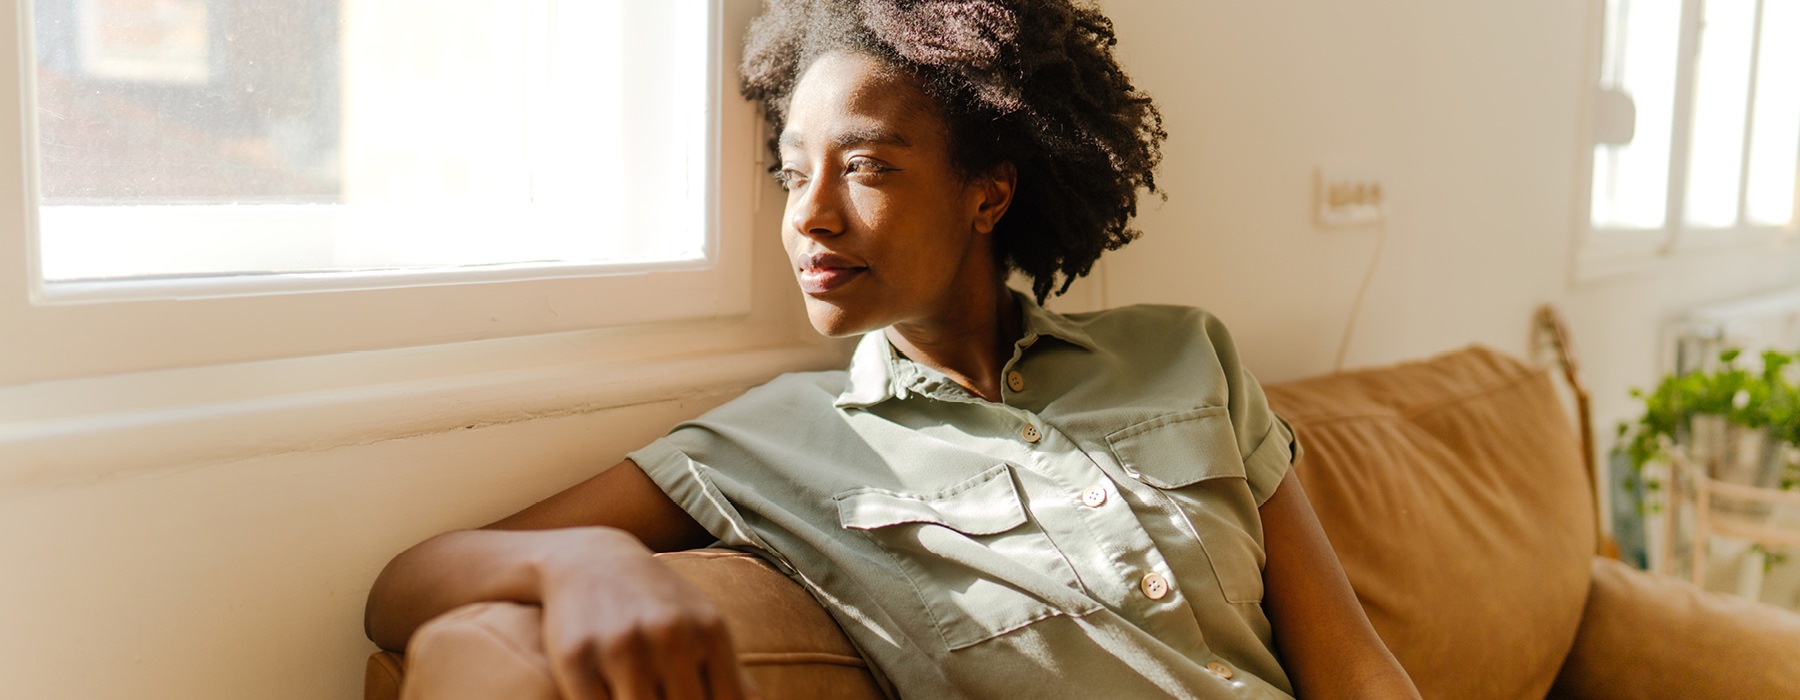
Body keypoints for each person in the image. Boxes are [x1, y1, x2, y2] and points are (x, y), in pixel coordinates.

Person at [365, 1, 1421, 698]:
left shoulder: (1188, 353)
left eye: (863, 167)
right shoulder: (780, 440)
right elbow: (403, 588)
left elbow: (1357, 672)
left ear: (987, 193)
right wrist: (584, 556)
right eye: (792, 174)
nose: (810, 216)